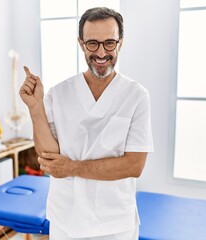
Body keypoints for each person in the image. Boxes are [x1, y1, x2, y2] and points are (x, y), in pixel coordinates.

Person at [19, 7, 153, 240]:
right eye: (93, 43)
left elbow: (134, 165)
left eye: (109, 43)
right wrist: (35, 108)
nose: (101, 52)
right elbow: (48, 156)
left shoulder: (136, 96)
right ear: (81, 43)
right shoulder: (58, 93)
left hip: (115, 223)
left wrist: (72, 167)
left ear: (120, 42)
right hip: (66, 218)